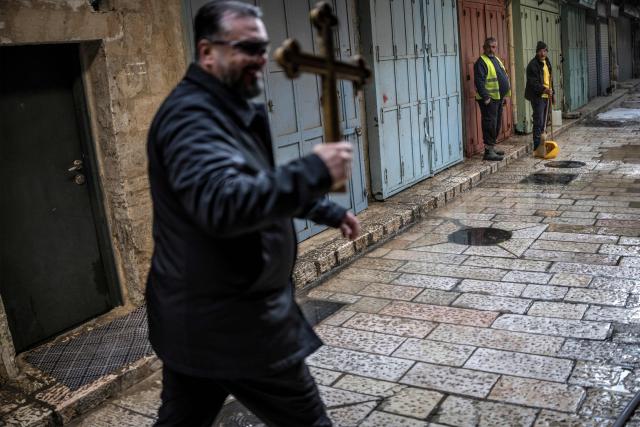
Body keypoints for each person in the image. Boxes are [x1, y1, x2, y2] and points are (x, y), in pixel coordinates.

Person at [145, 1, 360, 425]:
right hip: (236, 323)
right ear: (208, 52)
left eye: (262, 48)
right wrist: (314, 170)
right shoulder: (192, 119)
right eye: (246, 47)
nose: (261, 59)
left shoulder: (221, 108)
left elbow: (254, 181)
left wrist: (320, 209)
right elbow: (223, 203)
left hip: (204, 319)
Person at [474, 37, 511, 161]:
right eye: (489, 46)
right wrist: (486, 98)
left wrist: (503, 95)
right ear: (484, 47)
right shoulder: (481, 62)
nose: (491, 49)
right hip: (489, 100)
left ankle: (492, 147)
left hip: (498, 98)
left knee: (496, 124)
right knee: (489, 124)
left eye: (494, 47)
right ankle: (488, 152)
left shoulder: (496, 59)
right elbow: (479, 81)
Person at [525, 41, 555, 158]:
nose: (543, 53)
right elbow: (533, 83)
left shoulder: (547, 62)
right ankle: (537, 148)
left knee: (545, 122)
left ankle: (544, 144)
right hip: (537, 97)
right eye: (541, 51)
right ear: (537, 52)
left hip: (547, 96)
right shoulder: (533, 65)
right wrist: (545, 90)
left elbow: (550, 80)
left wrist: (553, 95)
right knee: (538, 121)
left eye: (545, 51)